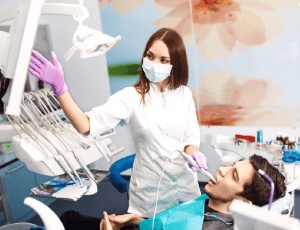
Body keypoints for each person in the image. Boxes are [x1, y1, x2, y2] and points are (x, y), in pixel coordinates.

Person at [29, 28, 208, 218]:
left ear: (175, 63)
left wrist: (193, 153)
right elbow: (86, 125)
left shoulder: (184, 94)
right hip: (151, 196)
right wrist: (60, 88)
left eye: (163, 60)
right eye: (150, 56)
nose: (154, 64)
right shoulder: (131, 97)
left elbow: (190, 137)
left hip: (186, 190)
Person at [95, 154, 286, 230]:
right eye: (230, 166)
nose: (221, 170)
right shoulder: (209, 204)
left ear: (244, 202)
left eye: (233, 175)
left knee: (69, 218)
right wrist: (135, 220)